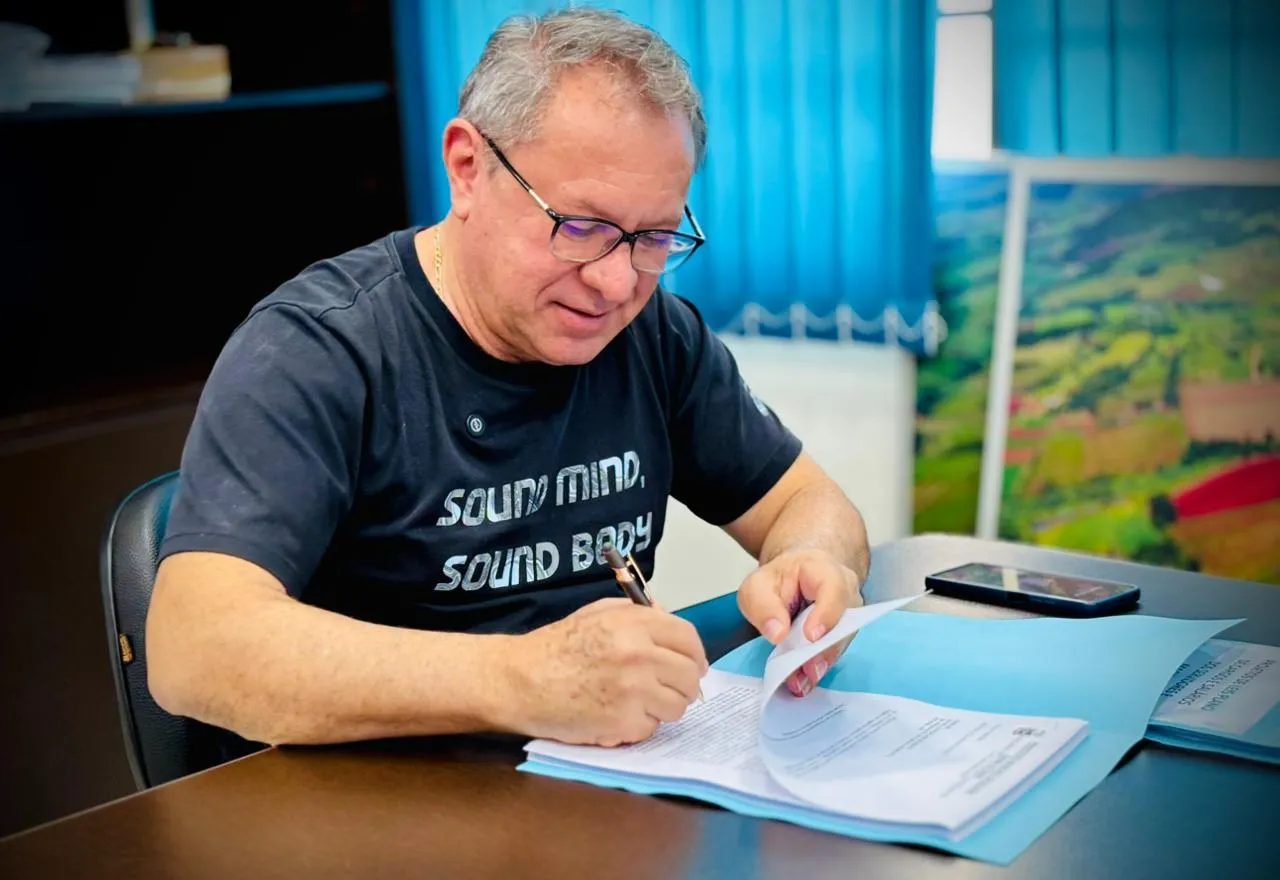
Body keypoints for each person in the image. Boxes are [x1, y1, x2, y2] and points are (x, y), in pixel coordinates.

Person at [146, 7, 870, 752]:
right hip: (369, 793)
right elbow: (193, 648)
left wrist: (813, 563)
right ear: (467, 168)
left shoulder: (651, 333)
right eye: (581, 227)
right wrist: (524, 680)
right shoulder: (317, 350)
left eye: (653, 238)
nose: (616, 282)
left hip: (593, 779)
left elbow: (810, 502)